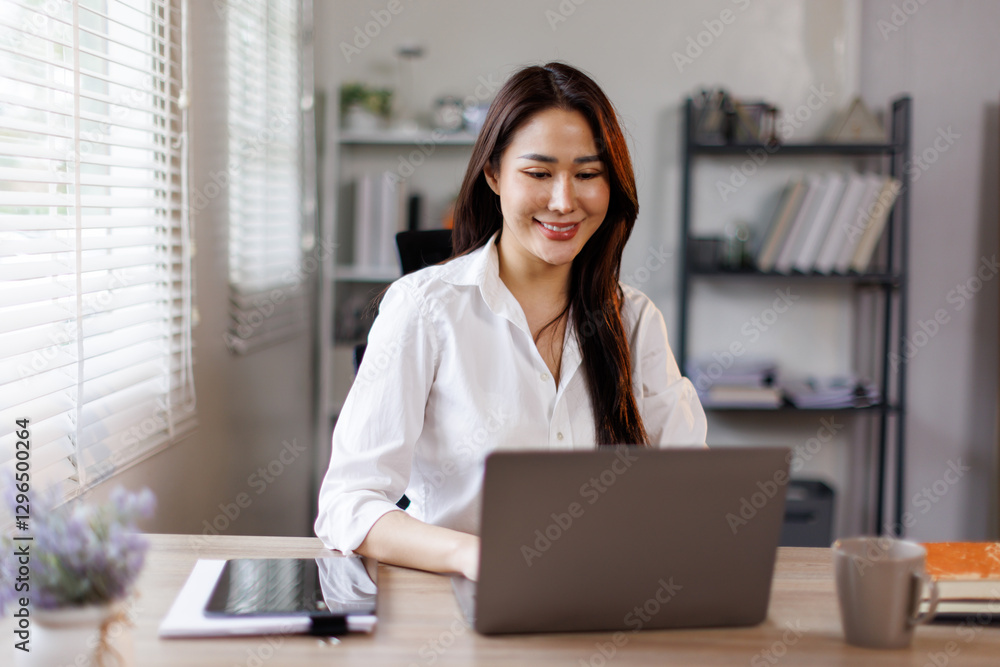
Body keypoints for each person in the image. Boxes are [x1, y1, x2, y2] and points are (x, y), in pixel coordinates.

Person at [315, 62, 707, 581]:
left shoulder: (633, 319)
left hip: (603, 601)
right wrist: (471, 556)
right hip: (455, 608)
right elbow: (348, 503)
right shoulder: (425, 308)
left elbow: (691, 492)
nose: (564, 201)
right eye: (539, 173)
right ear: (495, 175)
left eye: (588, 174)